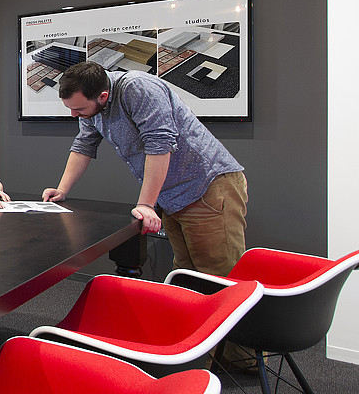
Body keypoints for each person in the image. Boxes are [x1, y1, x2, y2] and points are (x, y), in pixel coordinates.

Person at [41, 61, 247, 277]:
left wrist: (146, 205)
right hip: (171, 196)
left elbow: (159, 144)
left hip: (206, 187)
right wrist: (62, 189)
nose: (74, 115)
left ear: (102, 96)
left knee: (218, 276)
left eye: (79, 109)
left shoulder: (137, 88)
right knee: (186, 272)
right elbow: (84, 144)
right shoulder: (91, 109)